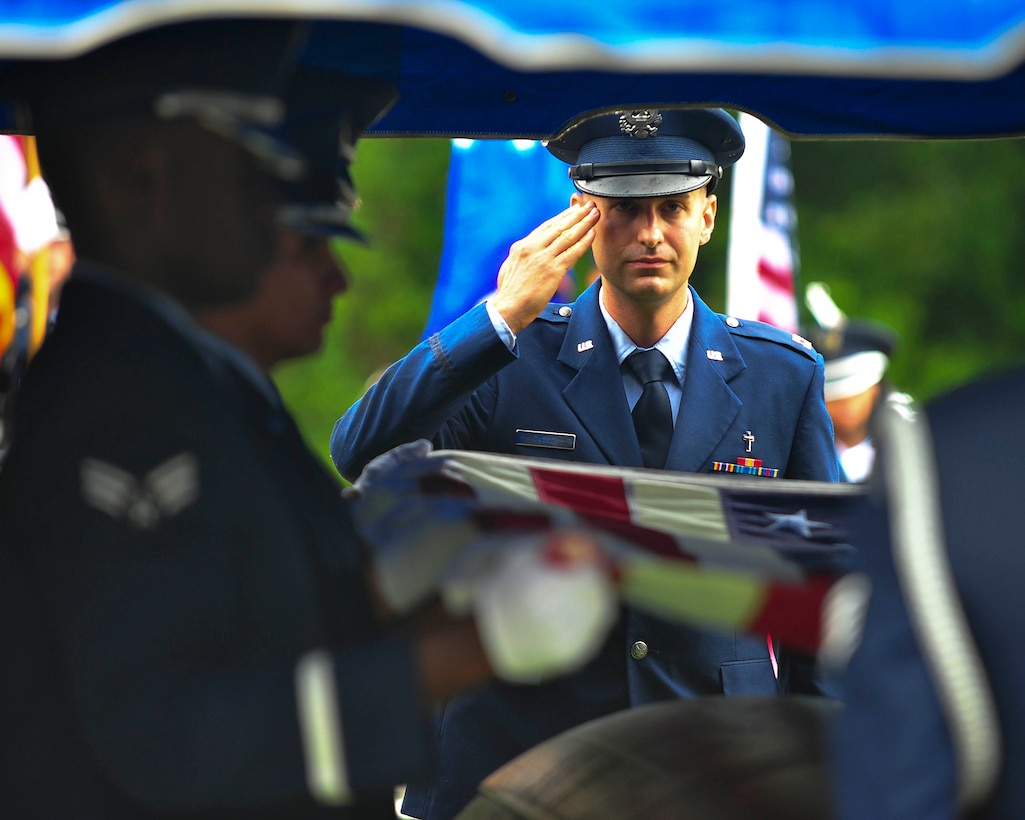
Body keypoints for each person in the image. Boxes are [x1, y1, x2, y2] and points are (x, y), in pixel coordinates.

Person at [0, 21, 617, 818]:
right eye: (246, 168)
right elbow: (170, 735)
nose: (273, 208)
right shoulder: (122, 406)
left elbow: (234, 619)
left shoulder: (176, 381)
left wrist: (379, 583)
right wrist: (459, 651)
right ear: (137, 176)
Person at [331, 106, 840, 819]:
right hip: (522, 764)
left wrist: (819, 752)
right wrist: (499, 316)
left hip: (714, 766)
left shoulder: (778, 375)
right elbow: (360, 448)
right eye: (625, 209)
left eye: (671, 207)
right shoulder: (508, 357)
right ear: (581, 217)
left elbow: (828, 579)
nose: (650, 234)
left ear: (708, 217)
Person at [805, 285, 904, 481]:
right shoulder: (803, 454)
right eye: (834, 398)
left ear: (875, 390)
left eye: (856, 395)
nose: (846, 406)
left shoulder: (904, 447)